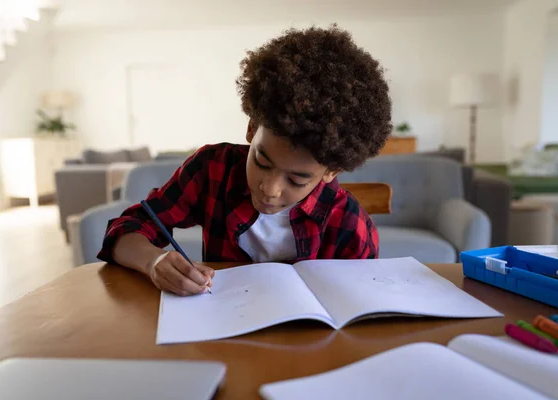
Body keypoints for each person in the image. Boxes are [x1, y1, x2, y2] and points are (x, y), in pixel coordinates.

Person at [97, 24, 392, 296]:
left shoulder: (350, 225)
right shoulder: (212, 169)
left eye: (297, 179)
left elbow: (359, 309)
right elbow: (126, 228)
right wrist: (154, 261)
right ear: (251, 128)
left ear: (331, 171)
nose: (270, 188)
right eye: (262, 162)